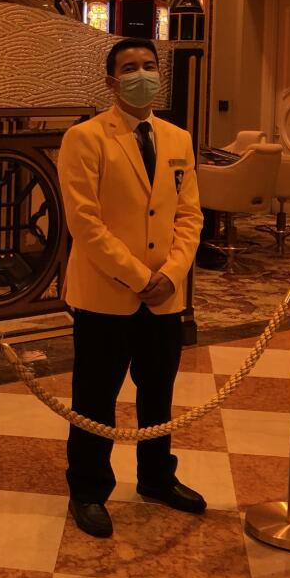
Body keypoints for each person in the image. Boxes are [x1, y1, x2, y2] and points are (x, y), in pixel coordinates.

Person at [57, 37, 205, 538]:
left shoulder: (178, 138)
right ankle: (88, 488)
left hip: (166, 295)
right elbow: (85, 223)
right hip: (107, 293)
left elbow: (189, 214)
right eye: (129, 68)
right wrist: (141, 278)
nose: (141, 74)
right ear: (110, 81)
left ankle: (157, 476)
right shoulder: (87, 138)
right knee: (94, 398)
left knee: (158, 393)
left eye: (148, 66)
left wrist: (173, 273)